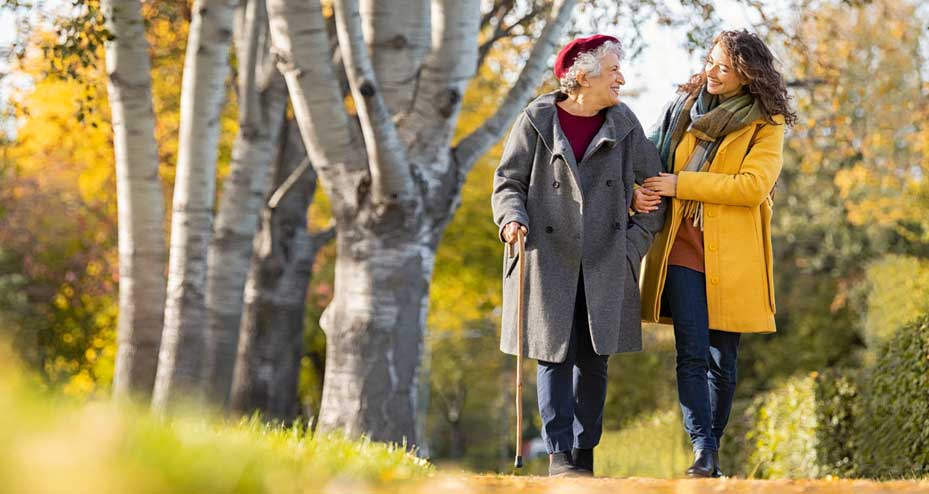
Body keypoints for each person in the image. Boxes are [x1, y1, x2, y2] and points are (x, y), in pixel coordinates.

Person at [491, 34, 667, 477]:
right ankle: (559, 456)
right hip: (547, 256)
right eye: (613, 72)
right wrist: (511, 219)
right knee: (554, 355)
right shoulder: (536, 120)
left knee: (594, 359)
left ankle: (584, 455)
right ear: (583, 77)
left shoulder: (624, 122)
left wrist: (632, 244)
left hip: (606, 259)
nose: (621, 80)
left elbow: (656, 188)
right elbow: (508, 182)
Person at [632, 29, 797, 478]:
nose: (712, 72)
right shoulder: (682, 109)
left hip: (734, 256)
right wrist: (635, 189)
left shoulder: (767, 124)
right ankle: (702, 451)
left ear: (747, 76)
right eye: (710, 61)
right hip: (682, 247)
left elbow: (751, 186)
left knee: (724, 360)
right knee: (691, 352)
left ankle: (713, 449)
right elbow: (645, 156)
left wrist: (681, 184)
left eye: (724, 67)